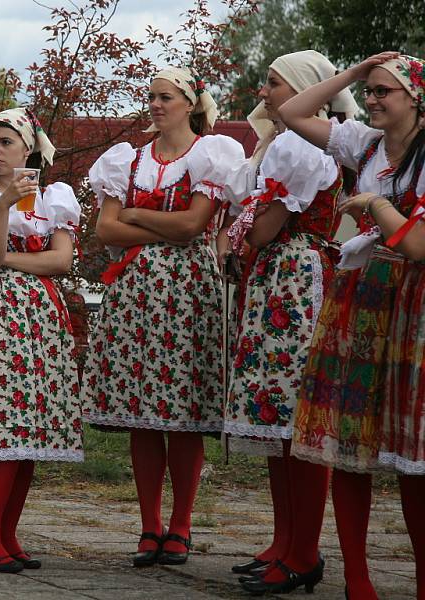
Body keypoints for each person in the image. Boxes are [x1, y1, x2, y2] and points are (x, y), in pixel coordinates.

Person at [82, 67, 243, 568]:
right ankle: (149, 524)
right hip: (134, 294)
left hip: (189, 293)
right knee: (143, 413)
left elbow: (196, 223)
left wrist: (135, 216)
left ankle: (182, 524)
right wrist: (159, 227)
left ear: (190, 103)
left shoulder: (210, 154)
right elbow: (105, 230)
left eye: (165, 97)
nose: (154, 104)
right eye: (150, 96)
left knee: (185, 412)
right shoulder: (126, 161)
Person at [279, 52, 425, 600]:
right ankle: (357, 579)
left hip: (413, 305)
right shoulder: (363, 142)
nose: (373, 99)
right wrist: (356, 70)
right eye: (371, 91)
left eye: (385, 91)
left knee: (415, 456)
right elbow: (293, 112)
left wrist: (372, 205)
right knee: (350, 444)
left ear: (416, 97)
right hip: (359, 301)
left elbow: (416, 243)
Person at [219, 51, 360, 595]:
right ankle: (286, 542)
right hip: (282, 276)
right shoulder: (283, 145)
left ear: (303, 88)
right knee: (280, 420)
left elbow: (264, 229)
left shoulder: (302, 145)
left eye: (275, 83)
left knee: (297, 419)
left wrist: (251, 223)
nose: (264, 90)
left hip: (296, 276)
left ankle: (302, 551)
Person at [0, 107, 84, 573]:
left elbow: (61, 263)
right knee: (5, 420)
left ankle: (8, 534)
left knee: (31, 428)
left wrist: (11, 259)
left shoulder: (52, 197)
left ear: (28, 149)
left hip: (43, 316)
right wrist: (5, 209)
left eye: (6, 142)